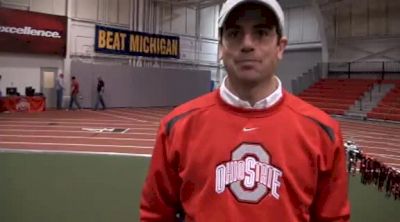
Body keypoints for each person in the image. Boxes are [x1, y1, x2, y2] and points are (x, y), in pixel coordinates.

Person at [140, 0, 350, 221]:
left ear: (280, 46)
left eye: (261, 32)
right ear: (221, 46)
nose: (247, 44)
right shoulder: (177, 127)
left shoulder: (322, 132)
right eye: (234, 33)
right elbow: (155, 214)